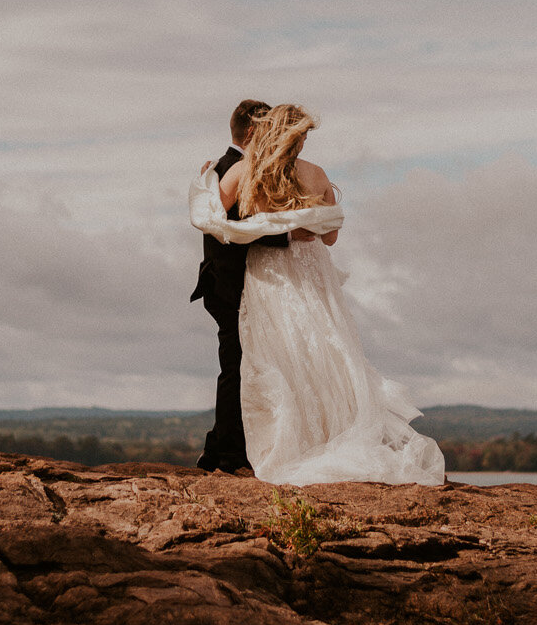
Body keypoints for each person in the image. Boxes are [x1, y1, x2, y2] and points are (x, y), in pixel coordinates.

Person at [190, 104, 445, 486]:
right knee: (323, 353)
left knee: (274, 357)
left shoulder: (247, 171)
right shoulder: (316, 173)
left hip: (268, 273)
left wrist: (208, 181)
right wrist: (298, 226)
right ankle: (324, 439)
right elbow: (329, 236)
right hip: (312, 273)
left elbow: (215, 220)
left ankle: (278, 446)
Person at [189, 100, 297, 473]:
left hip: (224, 280)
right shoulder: (234, 169)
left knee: (236, 366)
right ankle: (230, 454)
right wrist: (293, 232)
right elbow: (244, 231)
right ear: (252, 132)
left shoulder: (221, 167)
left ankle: (218, 448)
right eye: (268, 129)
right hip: (229, 282)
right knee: (235, 368)